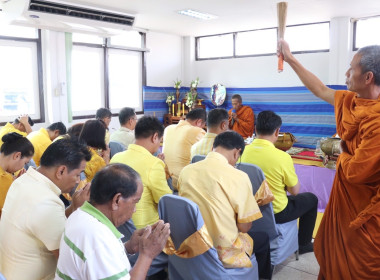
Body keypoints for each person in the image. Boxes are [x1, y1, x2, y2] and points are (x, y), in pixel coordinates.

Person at [279, 39, 380, 279]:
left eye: (351, 68)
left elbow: (356, 172)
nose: (346, 74)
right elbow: (320, 89)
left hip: (364, 214)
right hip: (344, 204)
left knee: (360, 266)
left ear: (367, 77)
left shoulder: (376, 121)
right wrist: (290, 58)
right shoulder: (350, 101)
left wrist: (341, 151)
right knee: (335, 255)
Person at [178, 131, 272, 279]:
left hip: (191, 243)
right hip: (221, 251)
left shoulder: (186, 171)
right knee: (263, 238)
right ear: (237, 153)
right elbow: (244, 227)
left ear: (213, 148)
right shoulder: (238, 176)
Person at [55, 164, 170, 280]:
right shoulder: (99, 238)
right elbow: (100, 250)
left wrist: (129, 247)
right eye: (135, 202)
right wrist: (147, 255)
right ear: (117, 200)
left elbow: (99, 259)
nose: (134, 210)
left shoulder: (80, 214)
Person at [0, 139, 91, 280]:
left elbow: (46, 223)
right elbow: (70, 262)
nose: (78, 181)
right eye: (78, 174)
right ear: (61, 171)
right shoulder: (46, 202)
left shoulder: (23, 181)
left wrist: (73, 207)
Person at [241, 110, 318, 254]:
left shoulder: (242, 152)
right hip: (276, 212)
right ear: (277, 132)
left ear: (255, 129)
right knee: (311, 199)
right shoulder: (282, 157)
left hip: (248, 208)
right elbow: (294, 191)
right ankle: (304, 243)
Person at [111, 116, 172, 229]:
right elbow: (166, 201)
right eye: (160, 140)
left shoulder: (115, 158)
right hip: (145, 230)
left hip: (118, 226)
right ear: (155, 137)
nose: (159, 144)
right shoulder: (154, 164)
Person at [163, 108, 206, 188]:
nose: (202, 128)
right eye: (203, 126)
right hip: (183, 184)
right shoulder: (197, 131)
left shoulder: (168, 129)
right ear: (199, 122)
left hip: (166, 180)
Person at [0, 133, 34, 217]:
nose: (23, 167)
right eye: (25, 163)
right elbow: (9, 215)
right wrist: (17, 187)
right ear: (17, 156)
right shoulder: (5, 179)